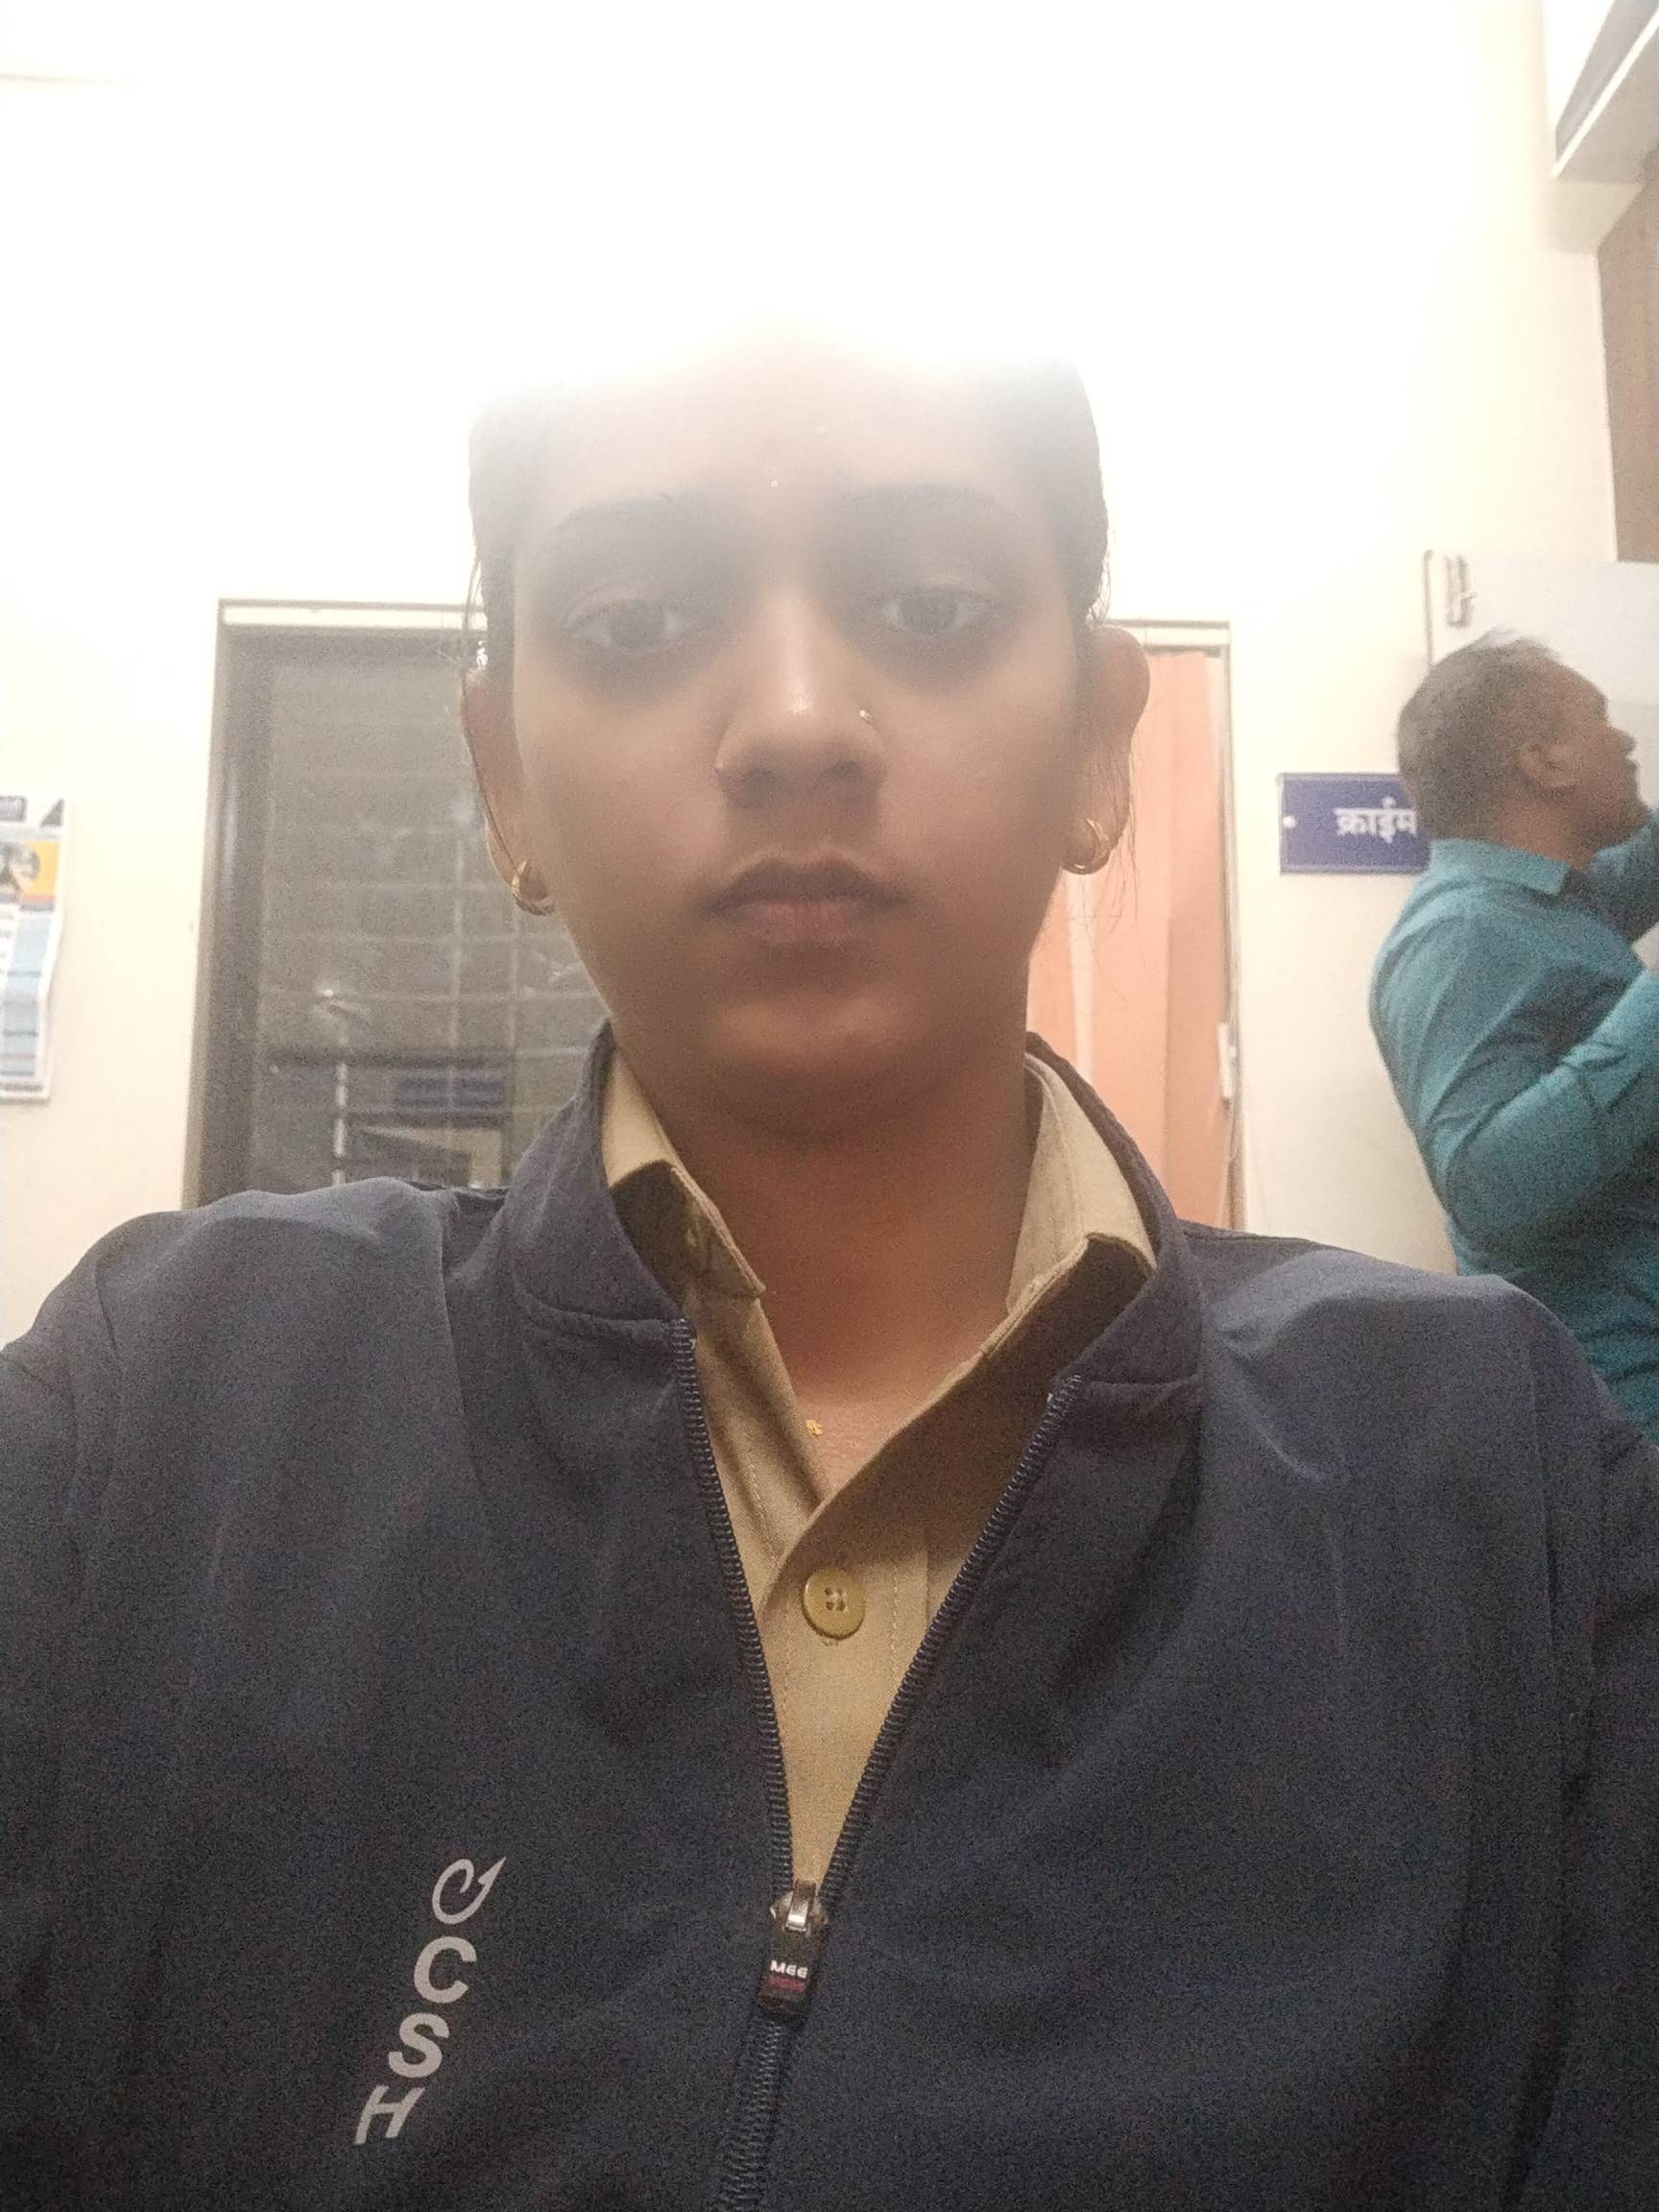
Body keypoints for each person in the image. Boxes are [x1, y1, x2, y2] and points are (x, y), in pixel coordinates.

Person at [4, 332, 1657, 2211]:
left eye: (930, 605)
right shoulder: (157, 1419)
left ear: (1097, 744)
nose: (795, 719)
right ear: (506, 780)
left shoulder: (1494, 1482)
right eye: (635, 623)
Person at [1371, 636, 1659, 1437]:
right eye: (1600, 719)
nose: (1626, 741)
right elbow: (1488, 1189)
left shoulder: (1562, 904)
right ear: (1544, 762)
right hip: (1614, 1400)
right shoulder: (1459, 934)